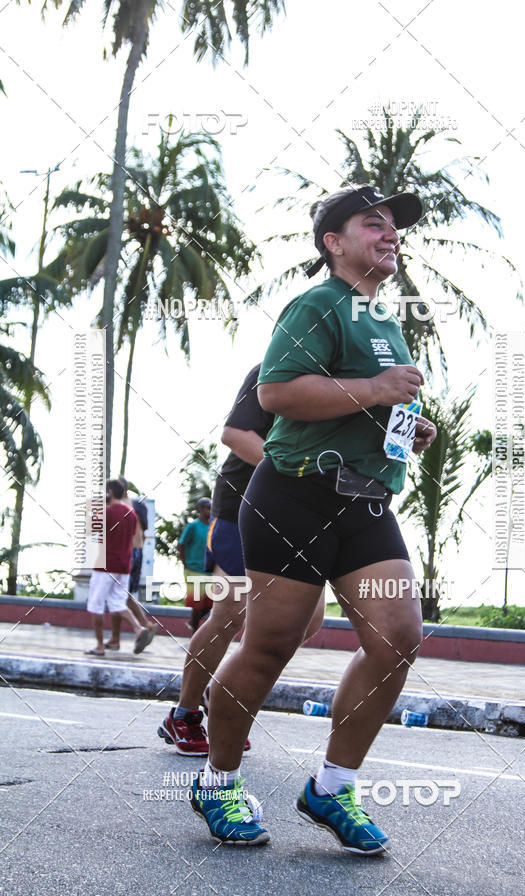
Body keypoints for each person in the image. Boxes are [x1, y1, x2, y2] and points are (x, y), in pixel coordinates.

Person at [192, 184, 437, 852]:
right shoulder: (318, 304)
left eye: (394, 227)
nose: (390, 234)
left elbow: (358, 401)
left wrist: (403, 423)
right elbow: (277, 392)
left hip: (364, 502)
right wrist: (378, 391)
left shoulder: (383, 321)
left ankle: (331, 788)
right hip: (295, 497)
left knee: (398, 637)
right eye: (373, 223)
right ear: (334, 241)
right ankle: (218, 784)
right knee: (270, 646)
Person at [158, 364, 325, 756]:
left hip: (300, 516)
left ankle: (224, 690)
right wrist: (292, 472)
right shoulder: (277, 366)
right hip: (240, 508)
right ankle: (183, 714)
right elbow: (234, 434)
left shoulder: (348, 378)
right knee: (229, 612)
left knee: (310, 617)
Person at [86, 479, 154, 656]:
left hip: (105, 565)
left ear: (109, 492)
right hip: (124, 565)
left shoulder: (107, 512)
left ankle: (100, 646)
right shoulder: (131, 514)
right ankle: (139, 628)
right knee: (117, 603)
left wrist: (91, 509)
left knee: (96, 605)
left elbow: (88, 529)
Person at [105, 477, 158, 651]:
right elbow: (144, 530)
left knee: (118, 595)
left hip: (126, 552)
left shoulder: (115, 507)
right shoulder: (137, 505)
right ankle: (119, 637)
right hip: (138, 552)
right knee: (124, 595)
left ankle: (142, 626)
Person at [179, 498, 212, 633]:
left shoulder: (213, 526)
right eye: (208, 508)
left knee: (211, 603)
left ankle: (193, 623)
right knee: (197, 604)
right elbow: (181, 545)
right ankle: (194, 633)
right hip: (194, 569)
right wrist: (185, 564)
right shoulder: (193, 526)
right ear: (201, 509)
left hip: (209, 570)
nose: (210, 511)